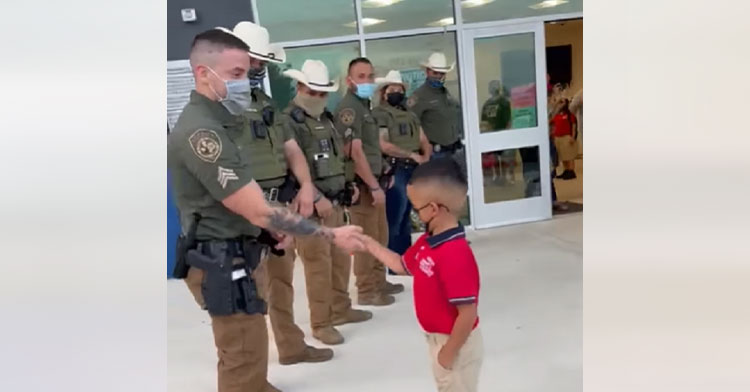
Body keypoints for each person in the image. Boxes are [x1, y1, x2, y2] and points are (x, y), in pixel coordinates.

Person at [167, 29, 363, 392]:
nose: (246, 81)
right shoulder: (202, 133)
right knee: (240, 353)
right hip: (220, 256)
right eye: (236, 74)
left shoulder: (228, 120)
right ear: (203, 74)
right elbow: (256, 208)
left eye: (248, 72)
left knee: (252, 339)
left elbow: (252, 186)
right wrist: (328, 232)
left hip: (240, 248)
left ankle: (257, 384)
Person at [225, 21, 334, 365]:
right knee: (254, 291)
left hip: (279, 203)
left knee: (282, 281)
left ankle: (290, 347)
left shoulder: (267, 103)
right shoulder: (221, 105)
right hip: (247, 210)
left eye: (261, 63)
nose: (257, 68)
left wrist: (305, 185)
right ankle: (249, 371)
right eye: (251, 60)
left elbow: (291, 149)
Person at [357, 158, 483, 392]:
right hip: (439, 340)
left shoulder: (455, 254)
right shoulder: (429, 241)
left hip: (455, 345)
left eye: (416, 209)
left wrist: (447, 354)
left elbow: (467, 313)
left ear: (434, 209)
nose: (414, 213)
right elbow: (402, 265)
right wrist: (368, 244)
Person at [280, 59, 373, 345]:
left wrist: (349, 185)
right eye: (313, 92)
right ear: (299, 87)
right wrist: (316, 196)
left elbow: (338, 158)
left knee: (340, 260)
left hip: (335, 203)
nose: (318, 98)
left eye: (323, 93)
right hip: (310, 208)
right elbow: (288, 165)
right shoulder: (288, 121)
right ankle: (321, 324)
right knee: (318, 267)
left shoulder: (327, 119)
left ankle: (341, 309)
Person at [335, 57, 402, 306]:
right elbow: (355, 151)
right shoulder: (349, 109)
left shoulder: (366, 106)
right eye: (361, 76)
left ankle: (379, 281)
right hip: (363, 186)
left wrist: (385, 171)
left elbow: (373, 148)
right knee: (365, 239)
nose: (367, 81)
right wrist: (373, 186)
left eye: (370, 76)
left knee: (380, 234)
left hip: (377, 181)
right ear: (349, 80)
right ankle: (366, 289)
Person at [373, 70, 432, 256]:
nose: (396, 92)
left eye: (399, 89)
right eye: (392, 89)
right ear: (384, 92)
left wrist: (426, 157)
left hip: (414, 170)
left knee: (407, 217)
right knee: (395, 217)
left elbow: (423, 140)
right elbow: (383, 144)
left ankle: (406, 258)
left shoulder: (410, 114)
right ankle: (392, 261)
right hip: (396, 169)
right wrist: (411, 155)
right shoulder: (380, 114)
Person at [408, 52, 465, 173]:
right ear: (427, 72)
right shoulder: (419, 96)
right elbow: (412, 125)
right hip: (436, 153)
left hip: (455, 151)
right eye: (435, 73)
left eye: (441, 73)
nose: (438, 76)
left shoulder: (446, 93)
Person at [480, 80, 514, 184]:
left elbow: (509, 118)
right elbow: (484, 120)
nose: (492, 88)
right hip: (490, 134)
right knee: (494, 158)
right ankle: (498, 177)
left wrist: (508, 131)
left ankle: (505, 176)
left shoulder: (504, 102)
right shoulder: (487, 103)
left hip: (502, 132)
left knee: (504, 157)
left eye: (495, 86)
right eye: (491, 86)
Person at [551, 98, 578, 180]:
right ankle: (566, 171)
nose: (560, 104)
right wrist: (556, 105)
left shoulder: (570, 115)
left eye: (562, 102)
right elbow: (550, 121)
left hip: (566, 137)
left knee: (569, 155)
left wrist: (573, 137)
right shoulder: (557, 115)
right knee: (563, 156)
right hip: (558, 138)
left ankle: (571, 171)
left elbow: (574, 126)